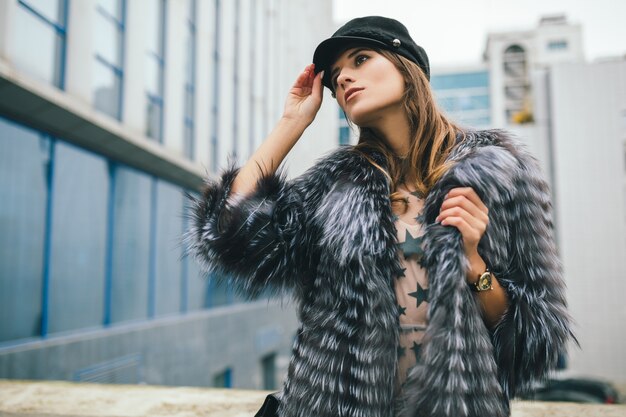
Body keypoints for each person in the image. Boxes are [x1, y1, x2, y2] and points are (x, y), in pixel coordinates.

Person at [186, 16, 574, 417]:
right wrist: (290, 124)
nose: (343, 79)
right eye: (336, 75)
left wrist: (475, 266)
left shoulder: (501, 173)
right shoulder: (331, 185)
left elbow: (537, 338)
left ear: (406, 67)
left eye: (361, 59)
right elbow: (227, 236)